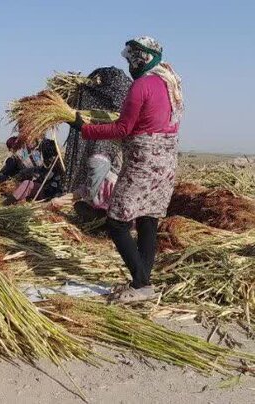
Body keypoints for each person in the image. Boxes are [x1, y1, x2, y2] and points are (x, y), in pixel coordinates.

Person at [71, 36, 183, 302]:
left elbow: (123, 129)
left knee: (117, 221)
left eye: (131, 59)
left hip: (143, 162)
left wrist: (84, 128)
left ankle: (142, 283)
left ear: (139, 59)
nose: (129, 64)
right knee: (147, 219)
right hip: (165, 163)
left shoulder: (142, 85)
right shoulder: (171, 83)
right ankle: (142, 282)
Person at [63, 66, 132, 197]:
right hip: (113, 143)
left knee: (101, 170)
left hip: (105, 141)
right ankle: (93, 198)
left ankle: (92, 198)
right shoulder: (129, 91)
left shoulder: (109, 94)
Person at [0, 136, 63, 200]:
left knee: (26, 184)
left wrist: (23, 174)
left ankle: (7, 202)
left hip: (49, 191)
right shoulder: (21, 155)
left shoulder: (53, 164)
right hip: (41, 185)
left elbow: (41, 173)